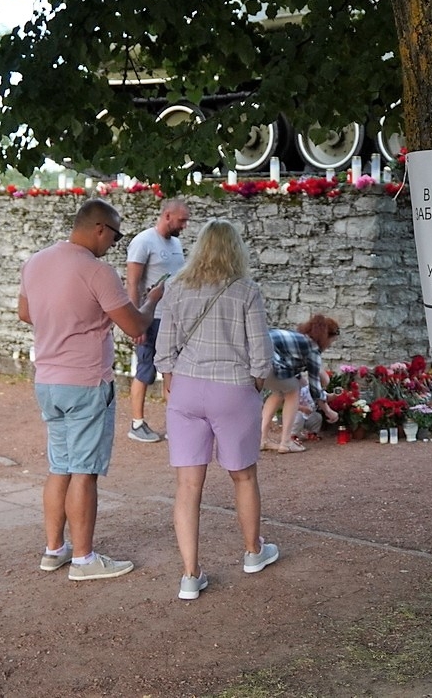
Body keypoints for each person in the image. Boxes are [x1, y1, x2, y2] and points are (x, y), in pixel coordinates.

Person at [17, 198, 163, 582]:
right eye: (115, 236)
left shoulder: (35, 262)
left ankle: (54, 550)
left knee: (59, 467)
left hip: (47, 379)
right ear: (100, 228)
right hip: (85, 381)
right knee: (84, 471)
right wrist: (151, 300)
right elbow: (135, 325)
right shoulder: (97, 271)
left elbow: (26, 313)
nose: (115, 244)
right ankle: (84, 560)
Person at [154, 219, 280, 600]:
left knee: (187, 485)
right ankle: (253, 552)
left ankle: (190, 575)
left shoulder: (177, 288)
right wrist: (254, 384)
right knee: (244, 476)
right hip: (233, 388)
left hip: (186, 388)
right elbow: (261, 353)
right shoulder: (246, 291)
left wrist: (172, 382)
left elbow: (164, 349)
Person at [125, 198, 191, 443]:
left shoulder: (176, 243)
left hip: (173, 318)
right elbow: (132, 282)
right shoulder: (143, 241)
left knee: (172, 370)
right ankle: (137, 424)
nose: (184, 225)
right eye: (182, 220)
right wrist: (136, 322)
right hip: (150, 318)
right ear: (167, 216)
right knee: (145, 370)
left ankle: (175, 424)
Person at [261, 314, 341, 453]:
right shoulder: (313, 348)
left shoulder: (300, 338)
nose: (329, 346)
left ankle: (262, 440)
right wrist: (328, 410)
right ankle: (286, 443)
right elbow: (315, 388)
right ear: (326, 337)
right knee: (293, 390)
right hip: (265, 362)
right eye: (331, 341)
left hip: (252, 362)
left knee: (279, 392)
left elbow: (288, 366)